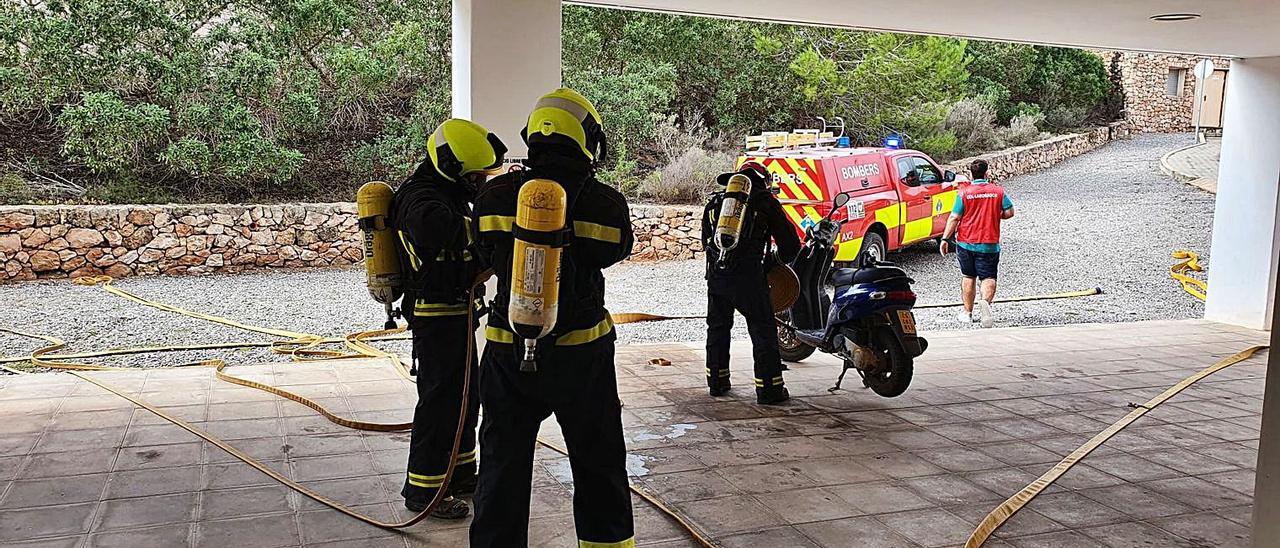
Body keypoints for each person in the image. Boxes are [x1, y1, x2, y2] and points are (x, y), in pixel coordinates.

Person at [469, 88, 635, 548]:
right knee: (598, 462)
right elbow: (616, 251)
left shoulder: (495, 195)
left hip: (508, 350)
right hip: (582, 355)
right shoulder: (605, 203)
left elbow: (483, 251)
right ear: (587, 140)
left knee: (502, 466)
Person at [389, 118, 506, 519]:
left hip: (456, 313)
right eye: (475, 175)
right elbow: (439, 231)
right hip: (435, 314)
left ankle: (460, 473)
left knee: (465, 396)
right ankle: (423, 491)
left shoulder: (446, 192)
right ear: (453, 167)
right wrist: (492, 225)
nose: (478, 182)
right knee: (441, 402)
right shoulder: (421, 200)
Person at [702, 162, 801, 404]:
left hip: (717, 275)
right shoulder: (765, 202)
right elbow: (791, 245)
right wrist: (772, 263)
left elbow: (706, 241)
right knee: (763, 331)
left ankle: (717, 382)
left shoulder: (717, 203)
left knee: (718, 328)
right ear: (762, 180)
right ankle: (770, 390)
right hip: (750, 278)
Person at [939, 158, 1015, 328]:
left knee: (968, 276)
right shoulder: (998, 192)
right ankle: (985, 304)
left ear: (971, 175)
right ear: (987, 173)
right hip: (989, 243)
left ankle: (967, 313)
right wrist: (996, 215)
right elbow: (1009, 212)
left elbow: (954, 217)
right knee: (988, 277)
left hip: (966, 243)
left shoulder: (964, 193)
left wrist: (945, 239)